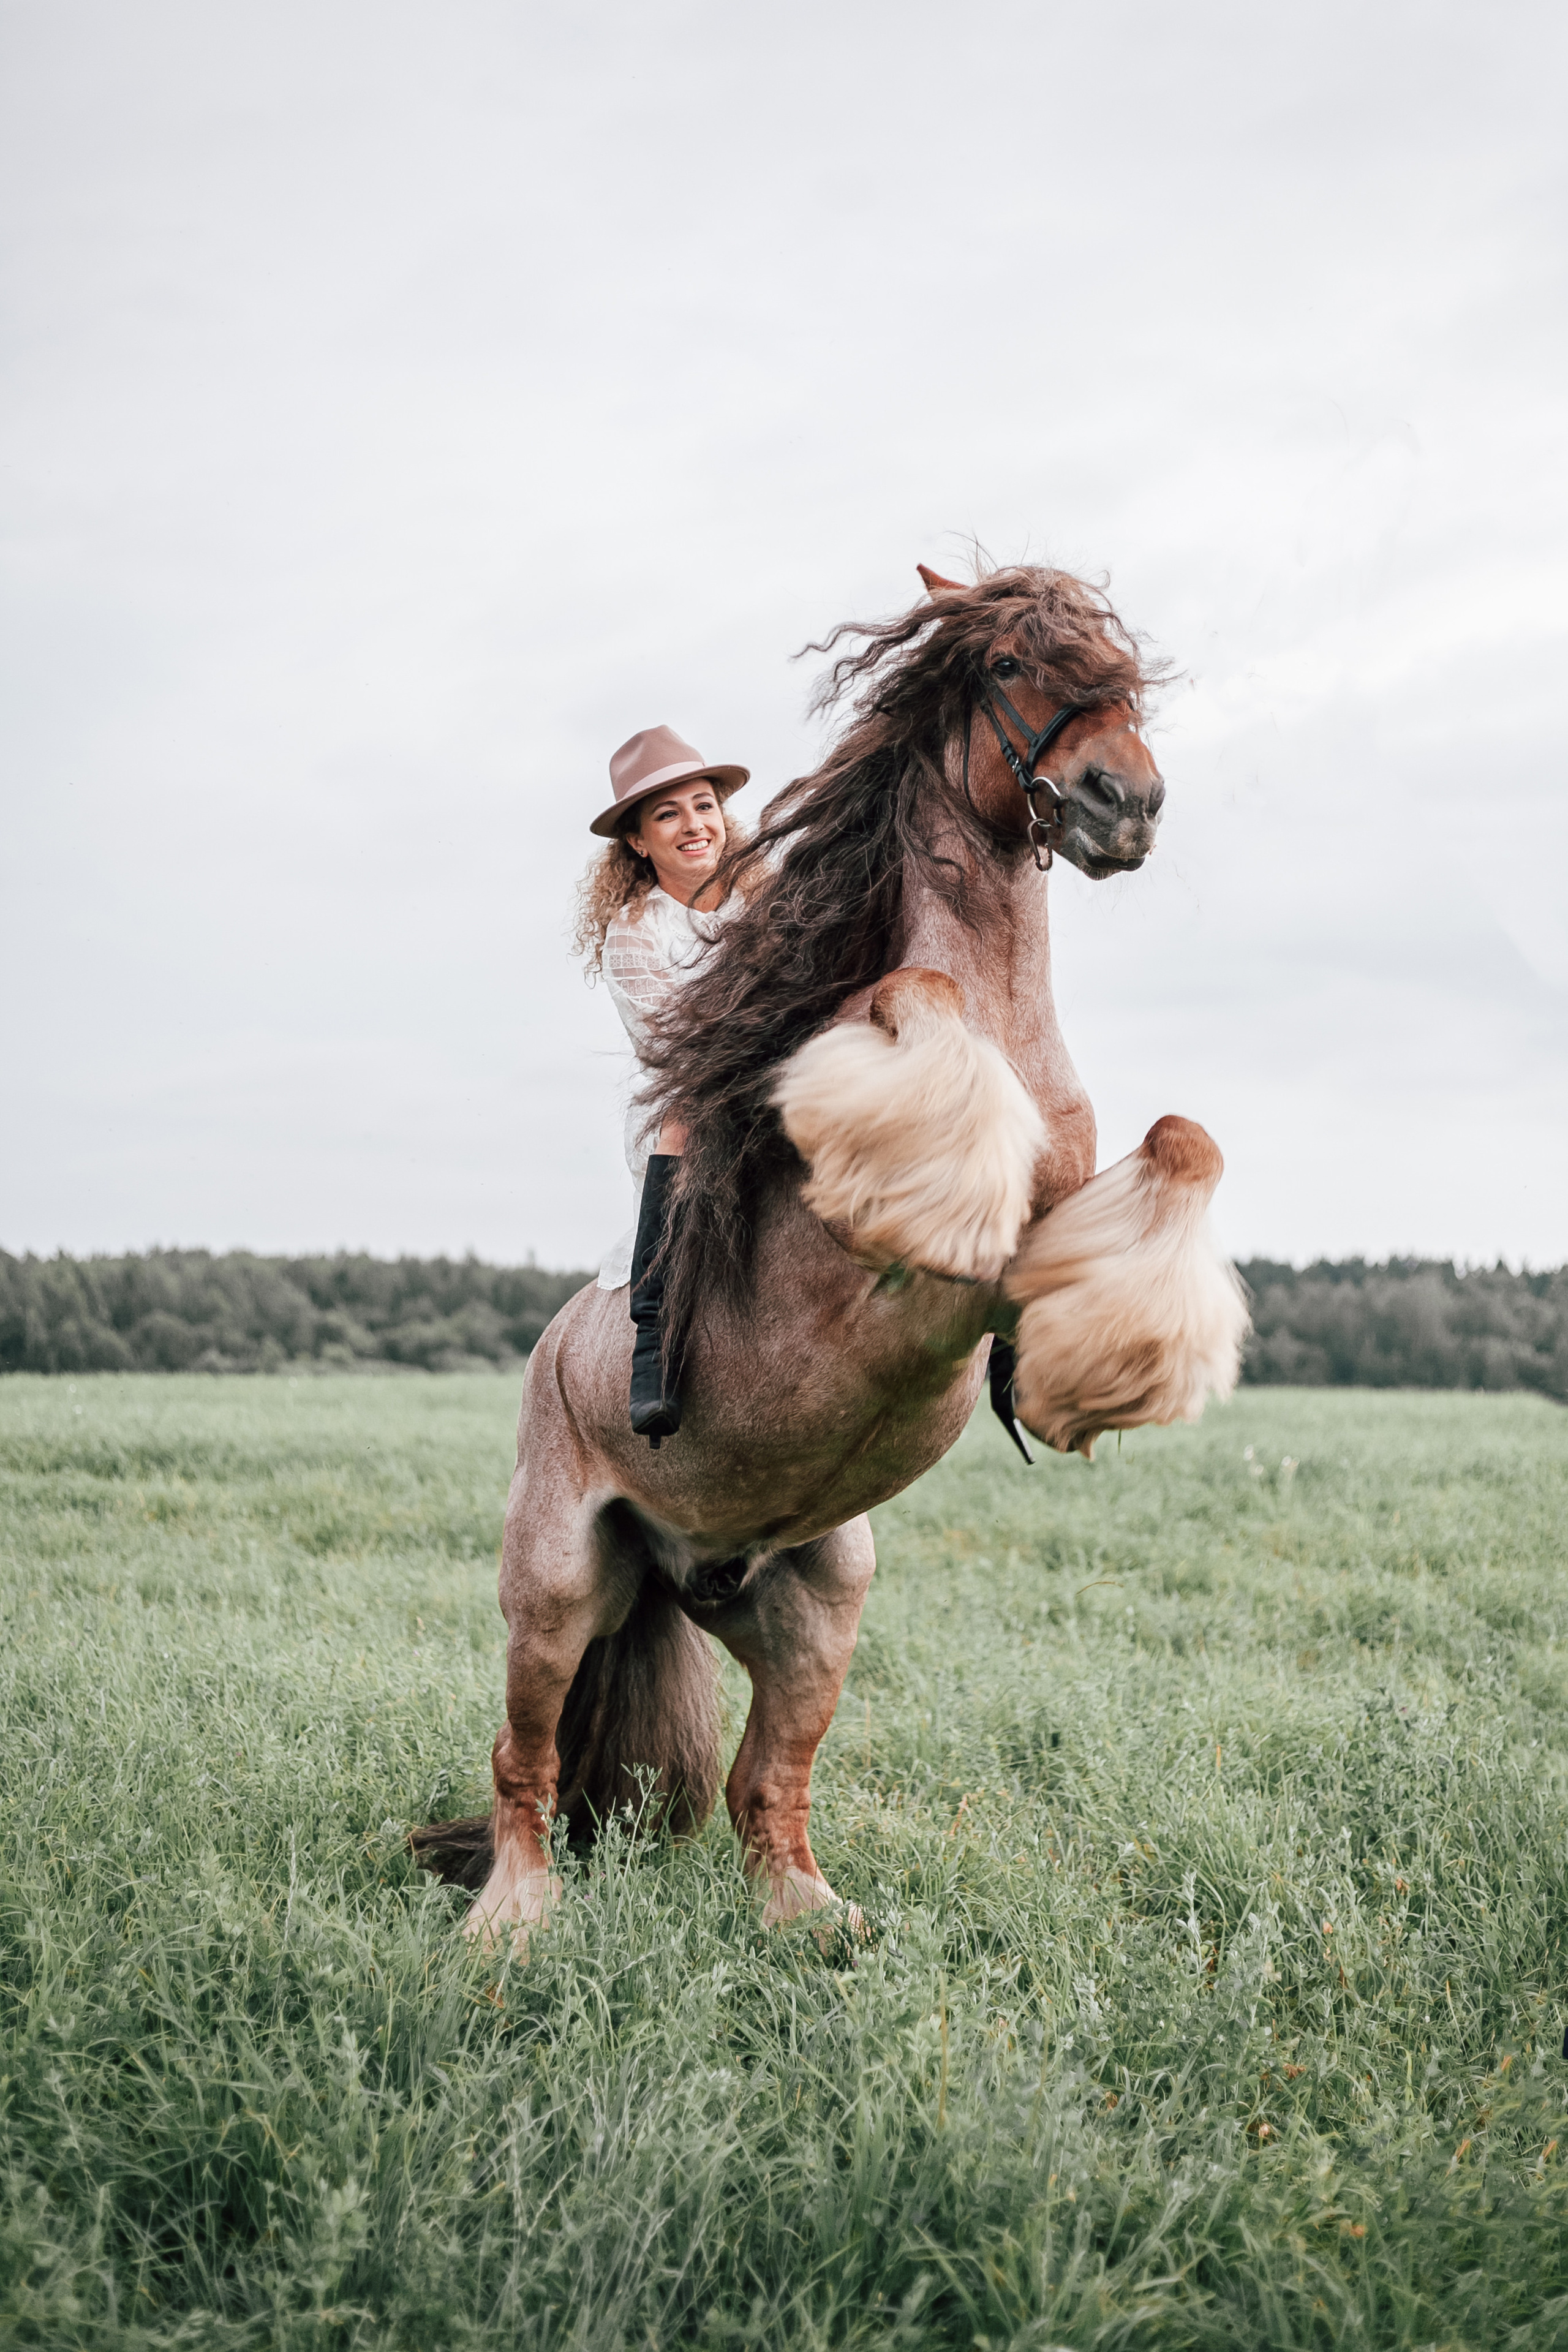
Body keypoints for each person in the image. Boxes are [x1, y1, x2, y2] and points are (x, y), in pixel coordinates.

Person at [573, 724, 749, 1444]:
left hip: (796, 1070)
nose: (693, 825)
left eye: (703, 805)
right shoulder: (634, 937)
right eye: (668, 814)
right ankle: (657, 1345)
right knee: (687, 1117)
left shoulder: (771, 899)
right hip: (701, 1096)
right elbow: (685, 1050)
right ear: (639, 842)